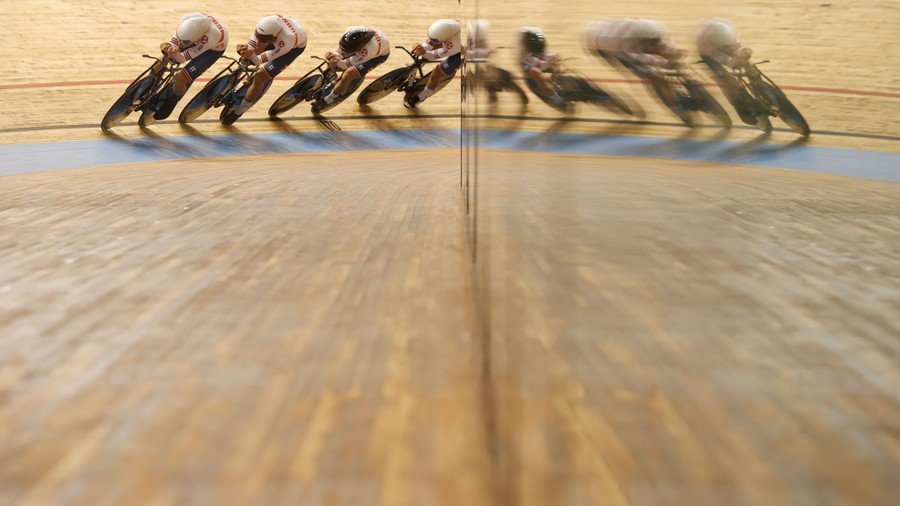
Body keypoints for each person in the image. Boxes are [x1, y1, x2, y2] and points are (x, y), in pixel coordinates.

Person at [223, 14, 307, 124]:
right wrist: (245, 49)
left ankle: (240, 110)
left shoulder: (288, 40)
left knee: (260, 77)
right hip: (276, 36)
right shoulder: (263, 24)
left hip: (292, 48)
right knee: (251, 53)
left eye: (262, 39)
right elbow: (254, 44)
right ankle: (235, 78)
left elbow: (259, 60)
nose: (258, 41)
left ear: (273, 37)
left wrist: (252, 54)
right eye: (258, 36)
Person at [586, 18, 683, 112]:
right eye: (650, 41)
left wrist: (672, 53)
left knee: (660, 53)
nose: (653, 42)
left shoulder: (656, 28)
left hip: (611, 31)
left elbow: (665, 46)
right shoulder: (624, 42)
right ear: (641, 39)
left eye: (654, 40)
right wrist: (664, 64)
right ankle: (673, 106)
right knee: (651, 76)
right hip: (604, 45)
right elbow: (636, 59)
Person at [150, 13, 228, 121]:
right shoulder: (186, 21)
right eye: (181, 39)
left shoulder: (212, 36)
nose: (181, 44)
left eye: (185, 42)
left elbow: (182, 58)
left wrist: (175, 54)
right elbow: (174, 43)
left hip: (211, 50)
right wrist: (168, 48)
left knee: (180, 78)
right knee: (165, 56)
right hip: (196, 39)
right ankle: (149, 83)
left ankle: (171, 102)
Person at [696, 18, 762, 125]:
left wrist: (742, 55)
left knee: (745, 61)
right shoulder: (705, 46)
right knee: (727, 80)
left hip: (725, 40)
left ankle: (761, 89)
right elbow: (725, 61)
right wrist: (731, 66)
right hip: (709, 56)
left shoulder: (726, 26)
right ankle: (740, 108)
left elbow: (737, 45)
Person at [315, 26, 390, 113]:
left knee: (349, 74)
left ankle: (331, 98)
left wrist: (336, 62)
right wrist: (335, 55)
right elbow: (342, 51)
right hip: (366, 46)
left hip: (377, 56)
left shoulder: (367, 51)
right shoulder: (350, 30)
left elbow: (345, 65)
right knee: (334, 59)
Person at [404, 19, 462, 109]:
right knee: (432, 47)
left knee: (437, 73)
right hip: (452, 40)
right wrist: (419, 47)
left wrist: (423, 52)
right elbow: (429, 44)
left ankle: (423, 96)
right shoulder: (444, 25)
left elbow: (431, 57)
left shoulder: (454, 45)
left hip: (462, 53)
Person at [519, 27, 567, 110]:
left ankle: (557, 81)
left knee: (555, 61)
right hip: (528, 64)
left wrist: (553, 58)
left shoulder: (538, 35)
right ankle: (554, 97)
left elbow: (545, 53)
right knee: (535, 74)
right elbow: (538, 66)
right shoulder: (522, 53)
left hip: (533, 50)